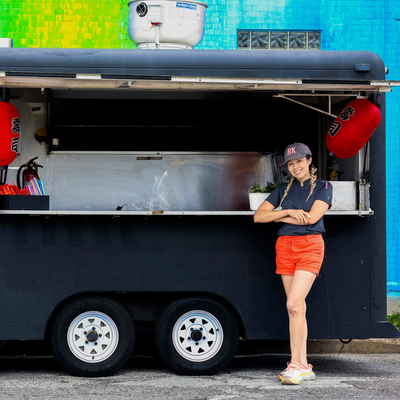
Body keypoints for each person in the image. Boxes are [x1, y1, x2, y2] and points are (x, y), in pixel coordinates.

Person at [254, 143, 332, 385]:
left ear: (309, 160)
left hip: (310, 246)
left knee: (293, 304)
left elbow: (312, 218)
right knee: (296, 309)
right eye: (290, 163)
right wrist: (286, 213)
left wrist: (280, 215)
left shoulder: (323, 187)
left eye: (299, 161)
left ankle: (295, 365)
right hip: (284, 247)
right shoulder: (282, 190)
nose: (295, 166)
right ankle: (304, 365)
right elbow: (259, 216)